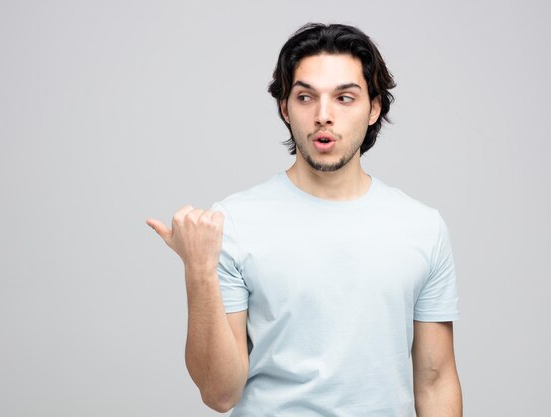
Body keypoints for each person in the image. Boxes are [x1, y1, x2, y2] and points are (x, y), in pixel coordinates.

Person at [147, 23, 462, 417]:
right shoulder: (234, 221)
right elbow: (219, 393)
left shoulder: (422, 227)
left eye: (345, 98)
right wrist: (198, 271)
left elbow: (435, 381)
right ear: (285, 108)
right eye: (305, 97)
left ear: (374, 108)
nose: (323, 115)